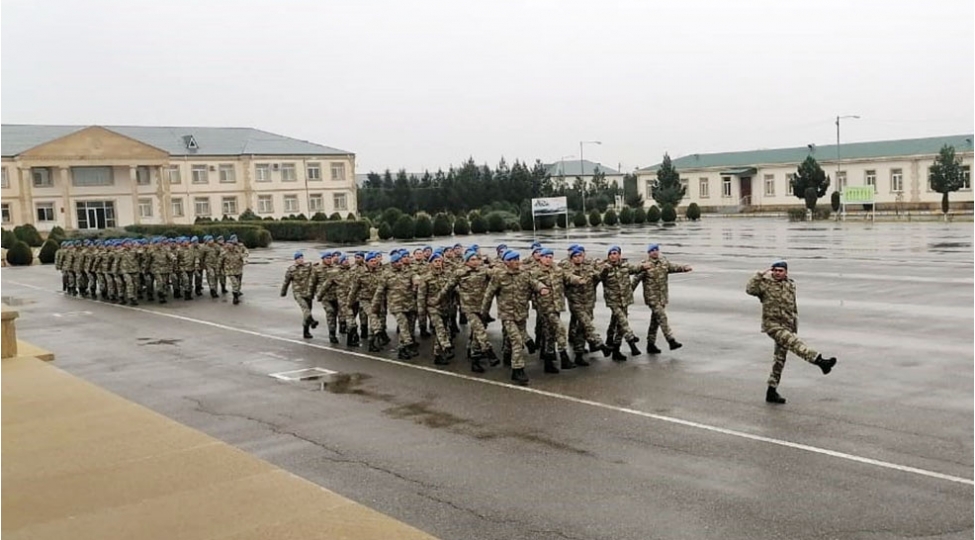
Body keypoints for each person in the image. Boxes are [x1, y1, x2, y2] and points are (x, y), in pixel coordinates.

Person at [745, 261, 838, 404]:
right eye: (775, 270)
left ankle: (771, 391)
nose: (777, 273)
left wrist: (794, 326)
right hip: (773, 325)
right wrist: (760, 274)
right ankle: (819, 361)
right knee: (795, 343)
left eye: (780, 270)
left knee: (779, 360)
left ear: (786, 272)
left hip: (787, 326)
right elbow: (750, 289)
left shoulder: (790, 285)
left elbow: (792, 307)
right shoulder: (765, 285)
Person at [480, 250, 550, 386]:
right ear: (506, 262)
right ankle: (517, 369)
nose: (516, 261)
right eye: (513, 259)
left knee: (515, 337)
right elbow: (488, 295)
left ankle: (507, 354)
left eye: (517, 259)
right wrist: (484, 314)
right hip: (507, 314)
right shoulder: (499, 276)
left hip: (521, 313)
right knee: (517, 340)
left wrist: (542, 288)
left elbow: (534, 282)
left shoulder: (524, 274)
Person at [632, 243, 691, 353]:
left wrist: (684, 268)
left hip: (662, 297)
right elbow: (636, 280)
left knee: (655, 321)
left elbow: (673, 267)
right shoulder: (645, 265)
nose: (654, 252)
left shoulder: (663, 262)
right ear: (649, 253)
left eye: (656, 250)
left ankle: (650, 344)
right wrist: (629, 293)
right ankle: (671, 340)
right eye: (652, 250)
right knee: (662, 317)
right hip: (652, 297)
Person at [281, 251, 318, 338]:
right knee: (306, 309)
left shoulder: (308, 266)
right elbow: (286, 282)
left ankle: (306, 331)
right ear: (295, 260)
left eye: (302, 258)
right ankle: (312, 321)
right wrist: (283, 292)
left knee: (307, 312)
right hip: (298, 293)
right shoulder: (291, 269)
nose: (301, 260)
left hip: (308, 293)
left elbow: (316, 269)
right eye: (299, 258)